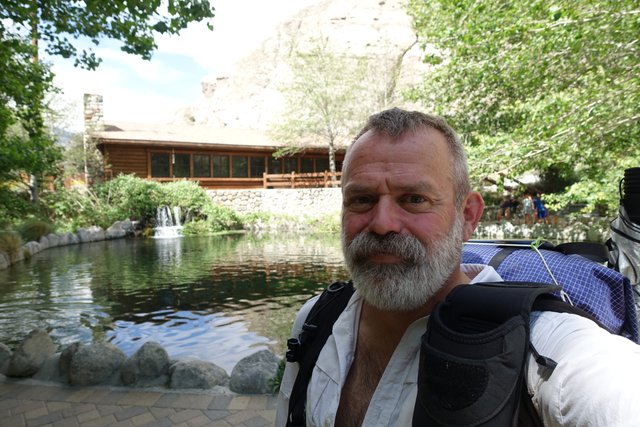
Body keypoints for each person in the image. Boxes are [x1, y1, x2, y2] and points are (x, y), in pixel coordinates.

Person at [275, 108, 640, 426]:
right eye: (362, 199)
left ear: (467, 217)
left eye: (414, 199)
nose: (383, 223)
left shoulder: (539, 348)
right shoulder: (316, 319)